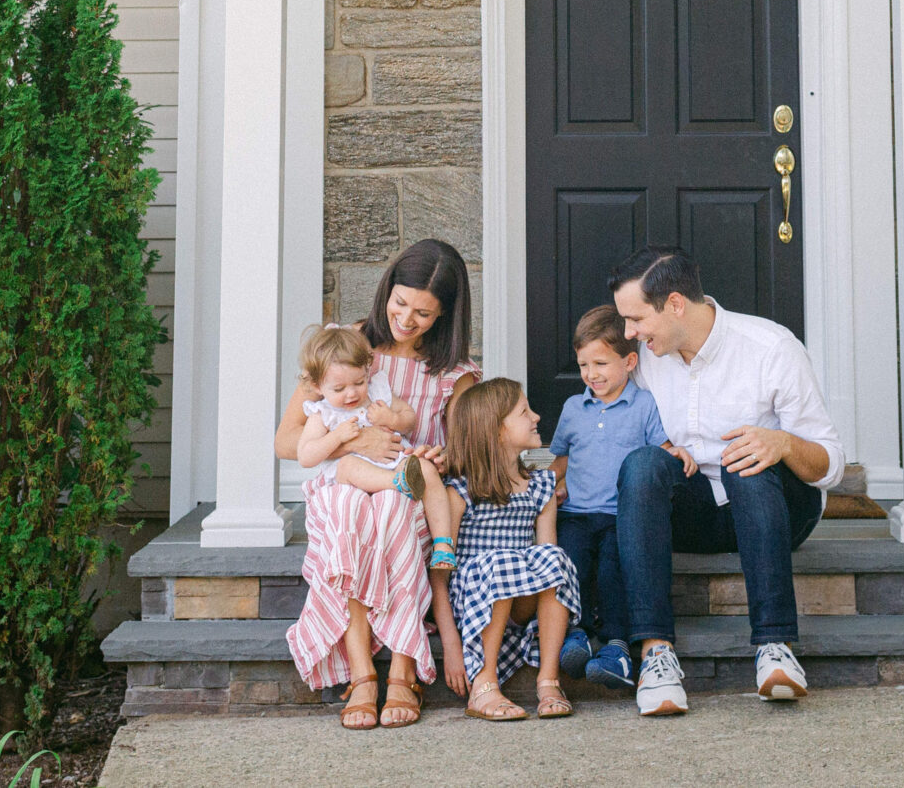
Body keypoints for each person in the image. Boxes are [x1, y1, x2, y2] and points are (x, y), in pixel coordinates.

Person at [609, 247, 842, 715]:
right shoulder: (651, 356)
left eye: (636, 319)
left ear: (675, 304)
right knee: (641, 465)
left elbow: (831, 466)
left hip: (773, 510)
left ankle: (776, 649)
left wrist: (782, 443)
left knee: (746, 458)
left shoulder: (771, 348)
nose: (629, 333)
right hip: (697, 512)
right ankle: (655, 655)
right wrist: (664, 448)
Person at [279, 239, 477, 731]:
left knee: (392, 512)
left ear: (446, 315)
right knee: (350, 511)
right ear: (386, 289)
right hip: (344, 482)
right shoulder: (342, 347)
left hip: (409, 487)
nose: (407, 320)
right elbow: (287, 443)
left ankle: (404, 669)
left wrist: (441, 455)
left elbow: (466, 453)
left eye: (424, 314)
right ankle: (364, 671)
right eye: (400, 303)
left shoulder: (456, 373)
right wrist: (354, 442)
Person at [438, 377, 579, 721]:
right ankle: (483, 685)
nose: (537, 417)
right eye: (523, 412)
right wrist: (451, 645)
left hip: (521, 601)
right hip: (474, 603)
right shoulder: (460, 491)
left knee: (553, 557)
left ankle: (548, 680)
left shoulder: (540, 482)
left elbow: (549, 559)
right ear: (497, 431)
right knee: (501, 562)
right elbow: (439, 578)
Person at [546, 303, 668, 691]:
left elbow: (659, 453)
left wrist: (678, 454)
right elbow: (561, 457)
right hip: (577, 513)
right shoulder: (573, 407)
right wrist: (552, 486)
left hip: (620, 516)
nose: (590, 375)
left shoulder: (645, 405)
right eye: (584, 365)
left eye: (600, 364)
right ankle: (576, 636)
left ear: (630, 361)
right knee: (573, 566)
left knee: (614, 572)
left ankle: (616, 647)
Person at [292, 322, 456, 571]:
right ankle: (399, 483)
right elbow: (305, 456)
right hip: (355, 473)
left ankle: (443, 545)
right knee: (348, 465)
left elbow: (408, 418)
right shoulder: (322, 413)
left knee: (427, 470)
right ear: (317, 386)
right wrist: (337, 437)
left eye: (358, 383)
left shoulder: (378, 391)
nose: (351, 394)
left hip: (394, 459)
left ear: (367, 371)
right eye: (339, 388)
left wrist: (391, 419)